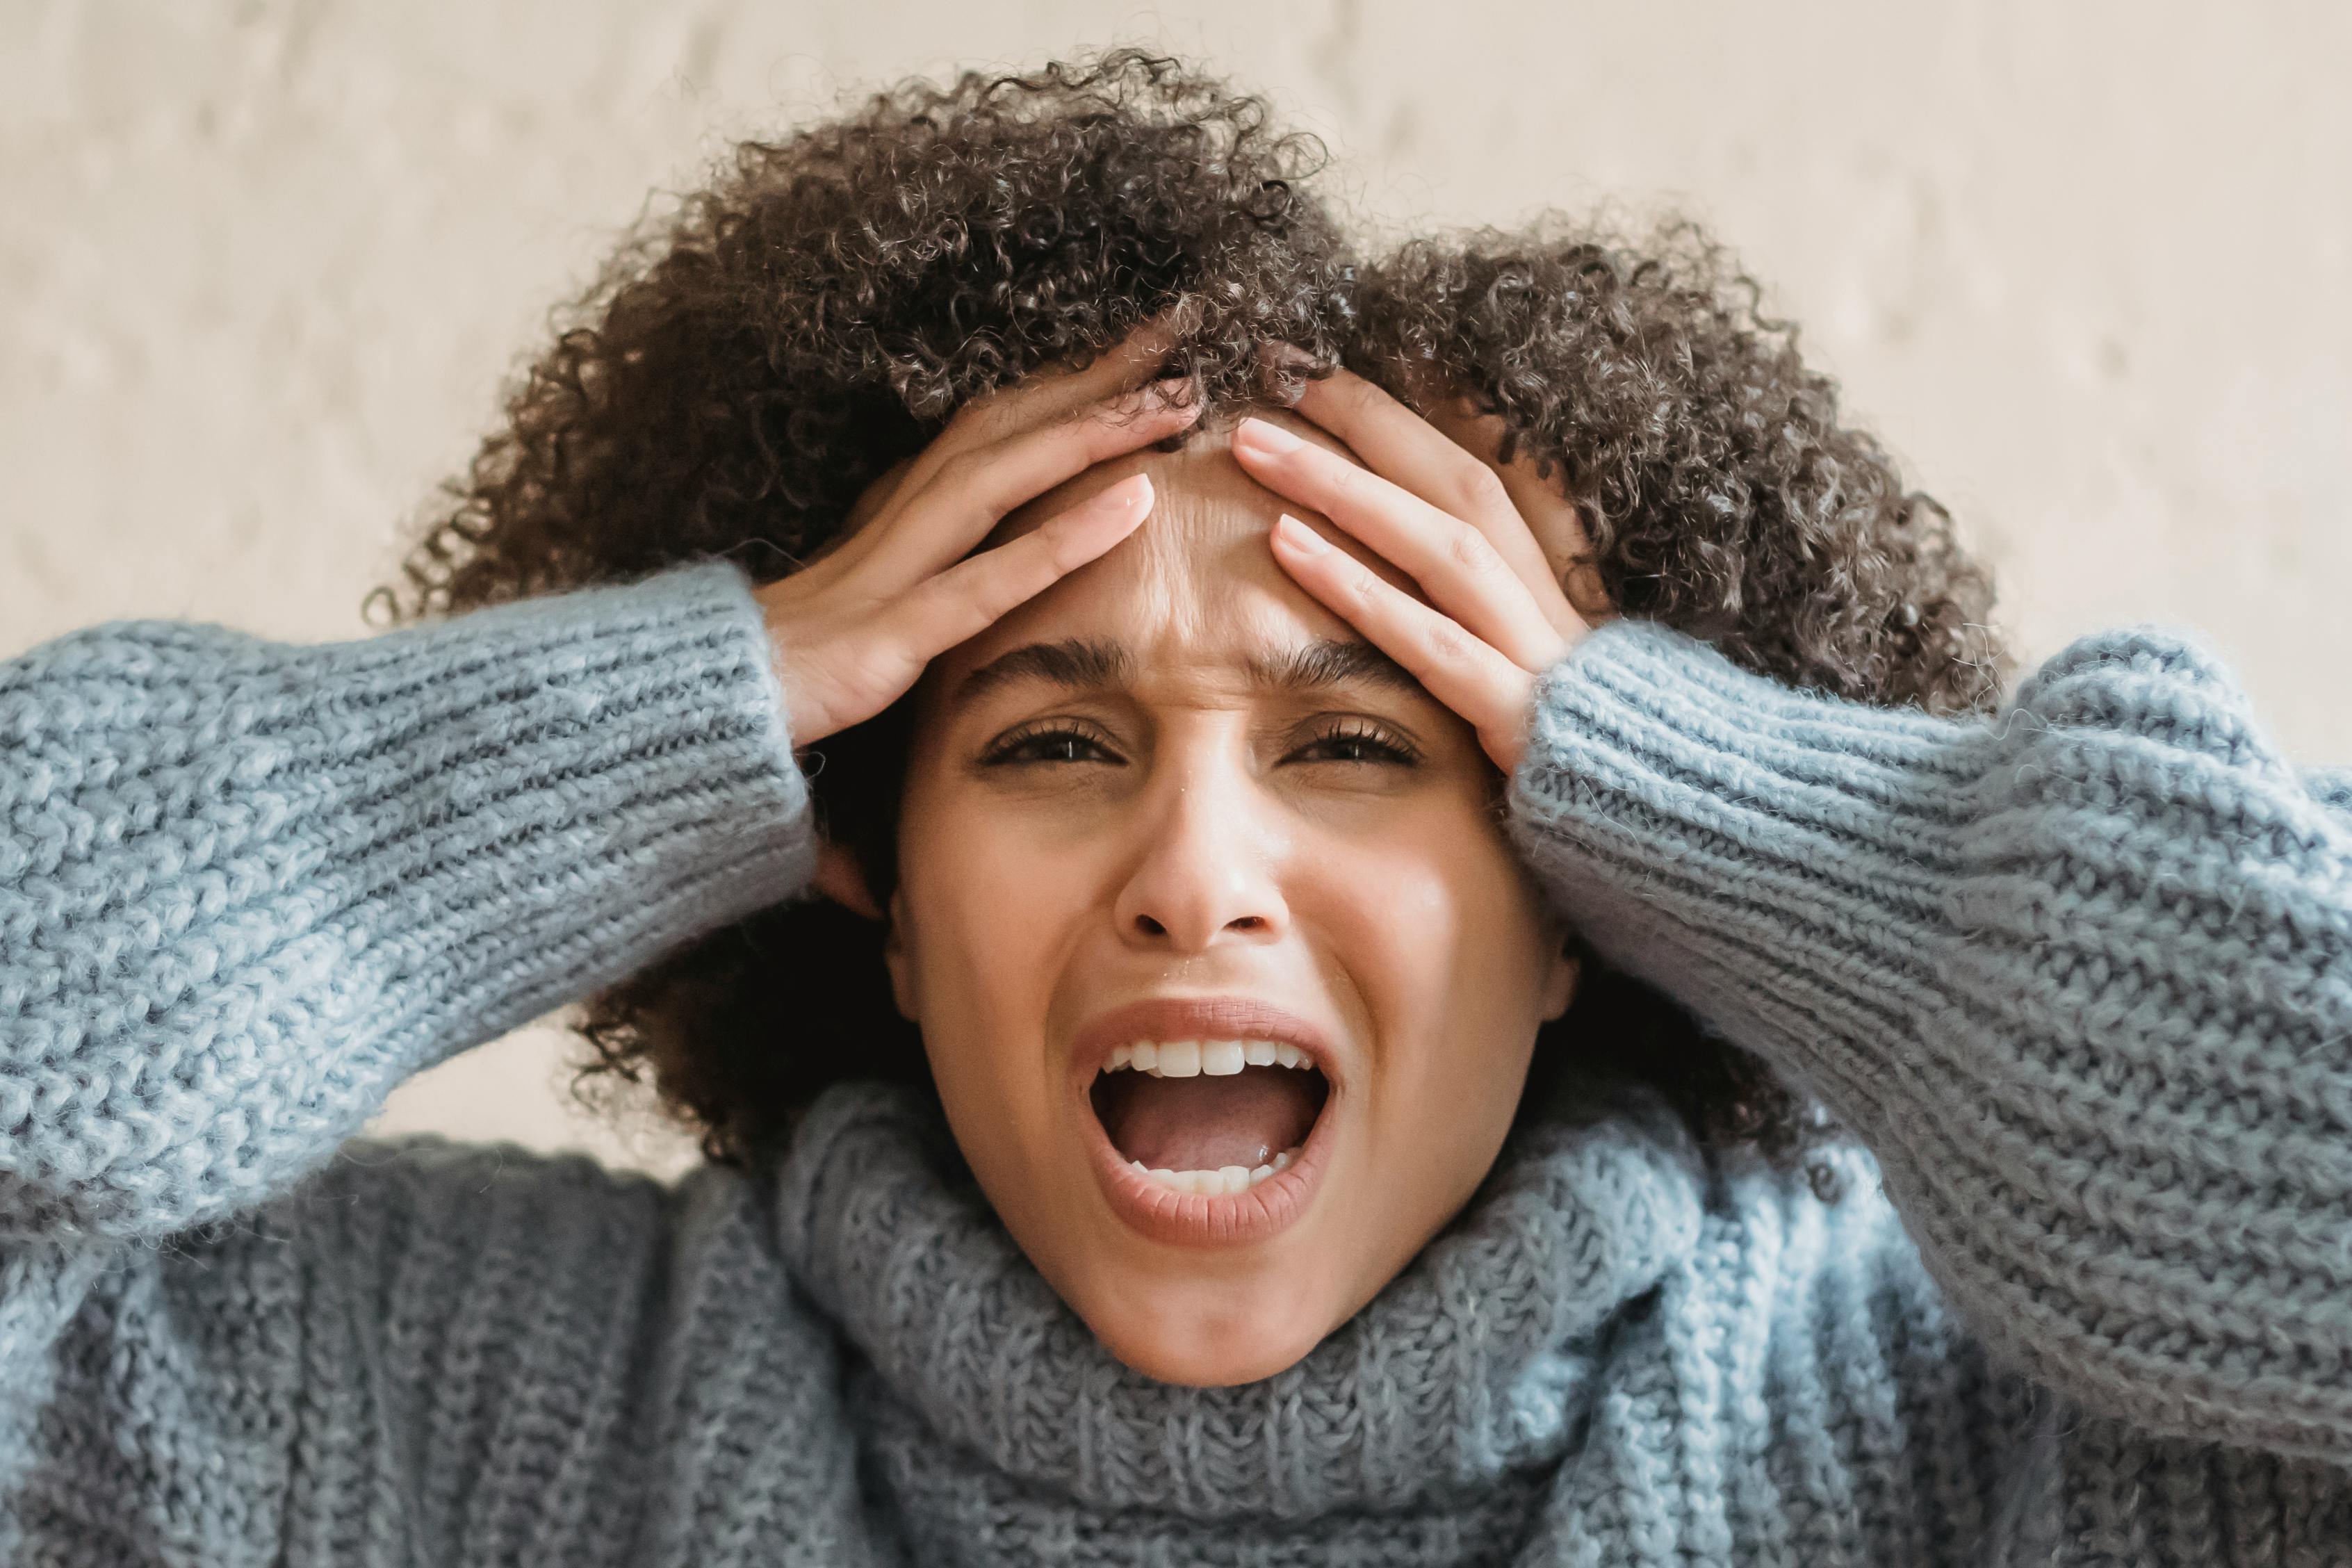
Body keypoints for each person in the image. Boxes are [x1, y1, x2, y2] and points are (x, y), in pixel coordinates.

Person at [3, 49, 2346, 1567]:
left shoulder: (1978, 1456)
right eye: (1047, 743)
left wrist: (1746, 810)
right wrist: (662, 716)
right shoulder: (446, 1420)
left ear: (1583, 899)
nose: (1196, 875)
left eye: (1361, 744)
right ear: (876, 885)